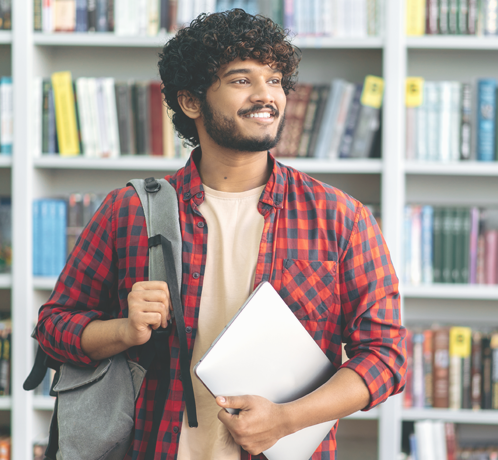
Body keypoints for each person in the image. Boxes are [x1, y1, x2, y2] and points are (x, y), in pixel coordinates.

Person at [36, 9, 407, 460]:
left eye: (274, 80)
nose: (265, 96)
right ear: (191, 102)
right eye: (241, 80)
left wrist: (287, 419)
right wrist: (123, 331)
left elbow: (386, 357)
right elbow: (53, 327)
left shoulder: (340, 218)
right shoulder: (130, 211)